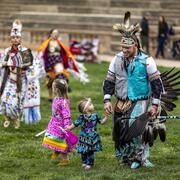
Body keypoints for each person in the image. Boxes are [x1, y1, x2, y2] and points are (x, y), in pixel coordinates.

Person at [103, 12, 164, 169]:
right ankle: (126, 157)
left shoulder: (147, 60)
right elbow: (109, 80)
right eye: (122, 47)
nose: (124, 50)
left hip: (140, 99)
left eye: (127, 47)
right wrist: (107, 99)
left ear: (135, 46)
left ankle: (141, 158)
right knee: (120, 130)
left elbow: (157, 83)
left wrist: (155, 104)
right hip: (122, 100)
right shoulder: (116, 59)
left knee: (136, 129)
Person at [0, 19, 34, 129]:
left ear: (20, 39)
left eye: (17, 37)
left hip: (20, 81)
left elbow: (29, 64)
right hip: (9, 79)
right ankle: (6, 118)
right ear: (10, 39)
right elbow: (2, 63)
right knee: (5, 100)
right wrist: (5, 63)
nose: (15, 39)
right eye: (13, 37)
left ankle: (16, 119)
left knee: (16, 102)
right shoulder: (6, 51)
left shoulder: (24, 51)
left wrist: (18, 64)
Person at [37, 29, 79, 102]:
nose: (56, 34)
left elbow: (65, 51)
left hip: (58, 60)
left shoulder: (59, 43)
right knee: (50, 79)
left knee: (60, 73)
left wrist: (69, 57)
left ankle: (62, 90)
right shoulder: (47, 43)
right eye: (54, 33)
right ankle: (50, 97)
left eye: (57, 33)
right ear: (50, 34)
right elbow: (41, 51)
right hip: (49, 62)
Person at [65, 98, 108, 170]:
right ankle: (84, 161)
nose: (92, 105)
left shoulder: (95, 116)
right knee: (83, 150)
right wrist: (68, 128)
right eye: (90, 105)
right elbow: (75, 124)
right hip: (84, 137)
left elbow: (102, 122)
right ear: (86, 109)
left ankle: (89, 163)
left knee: (90, 151)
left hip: (92, 137)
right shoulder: (81, 117)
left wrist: (106, 116)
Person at [42, 79, 73, 166]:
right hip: (55, 122)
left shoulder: (63, 102)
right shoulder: (56, 98)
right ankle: (56, 150)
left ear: (56, 90)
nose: (51, 89)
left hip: (62, 126)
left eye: (52, 87)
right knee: (53, 137)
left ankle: (65, 159)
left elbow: (67, 115)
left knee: (61, 141)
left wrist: (67, 126)